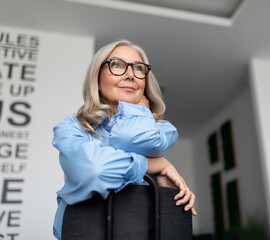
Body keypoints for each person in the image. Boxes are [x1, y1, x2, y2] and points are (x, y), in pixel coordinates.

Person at [52, 40, 196, 240]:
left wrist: (139, 111)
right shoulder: (72, 128)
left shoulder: (162, 130)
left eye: (138, 68)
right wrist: (153, 164)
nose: (130, 74)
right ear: (97, 78)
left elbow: (131, 137)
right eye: (117, 65)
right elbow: (94, 171)